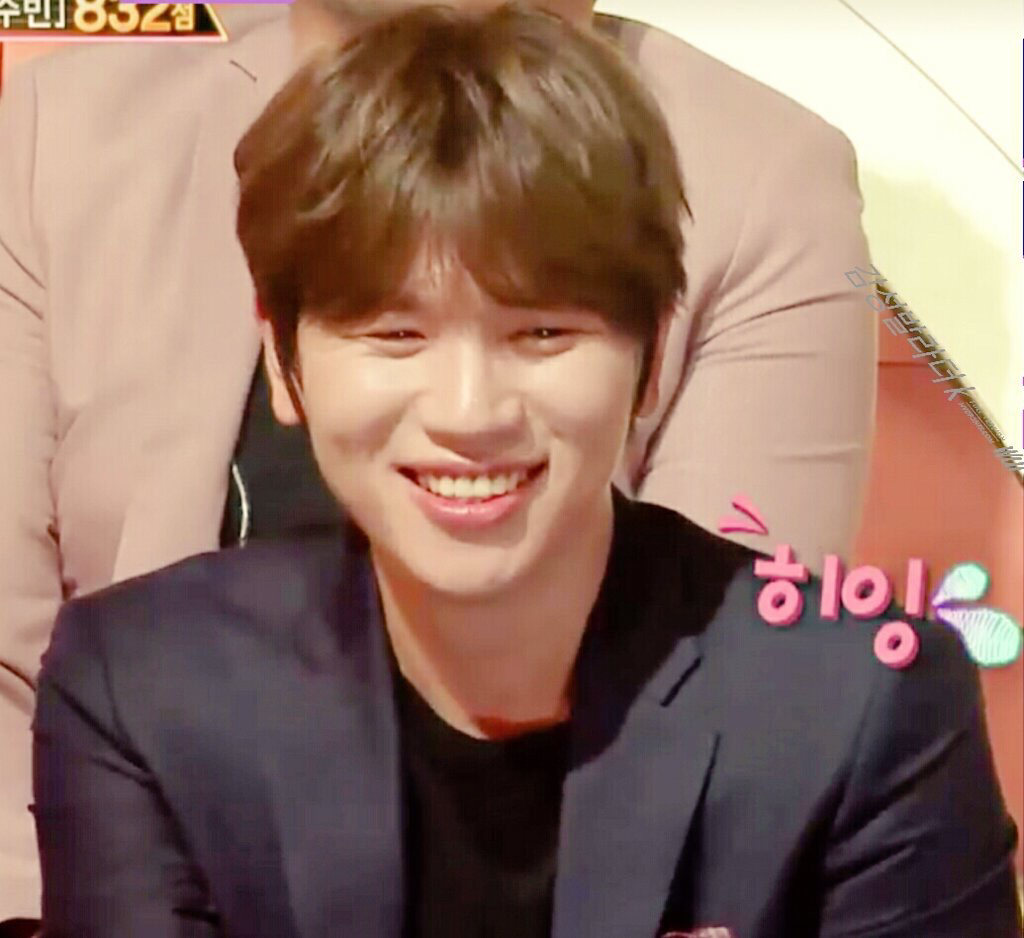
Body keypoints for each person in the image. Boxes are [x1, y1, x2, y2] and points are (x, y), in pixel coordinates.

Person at [31, 8, 1019, 937]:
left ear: (650, 354)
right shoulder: (144, 687)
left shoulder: (864, 706)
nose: (470, 412)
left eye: (542, 333)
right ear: (284, 363)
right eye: (395, 334)